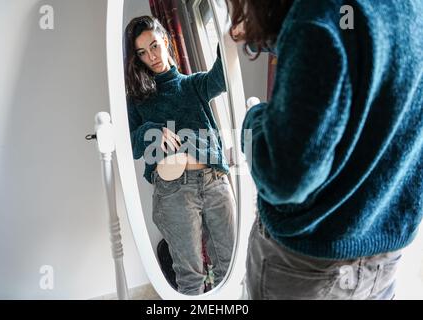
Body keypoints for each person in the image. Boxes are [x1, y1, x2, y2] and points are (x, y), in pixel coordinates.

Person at [227, 0, 423, 299]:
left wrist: (252, 121)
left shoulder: (319, 16)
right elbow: (361, 57)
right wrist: (286, 40)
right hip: (383, 257)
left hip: (306, 266)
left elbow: (284, 178)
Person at [124, 16, 235, 295]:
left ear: (167, 43)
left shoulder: (193, 85)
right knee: (190, 276)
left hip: (214, 181)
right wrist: (153, 130)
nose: (151, 56)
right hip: (172, 191)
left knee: (230, 267)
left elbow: (223, 76)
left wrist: (228, 29)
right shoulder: (138, 101)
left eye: (154, 46)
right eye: (142, 52)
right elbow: (132, 145)